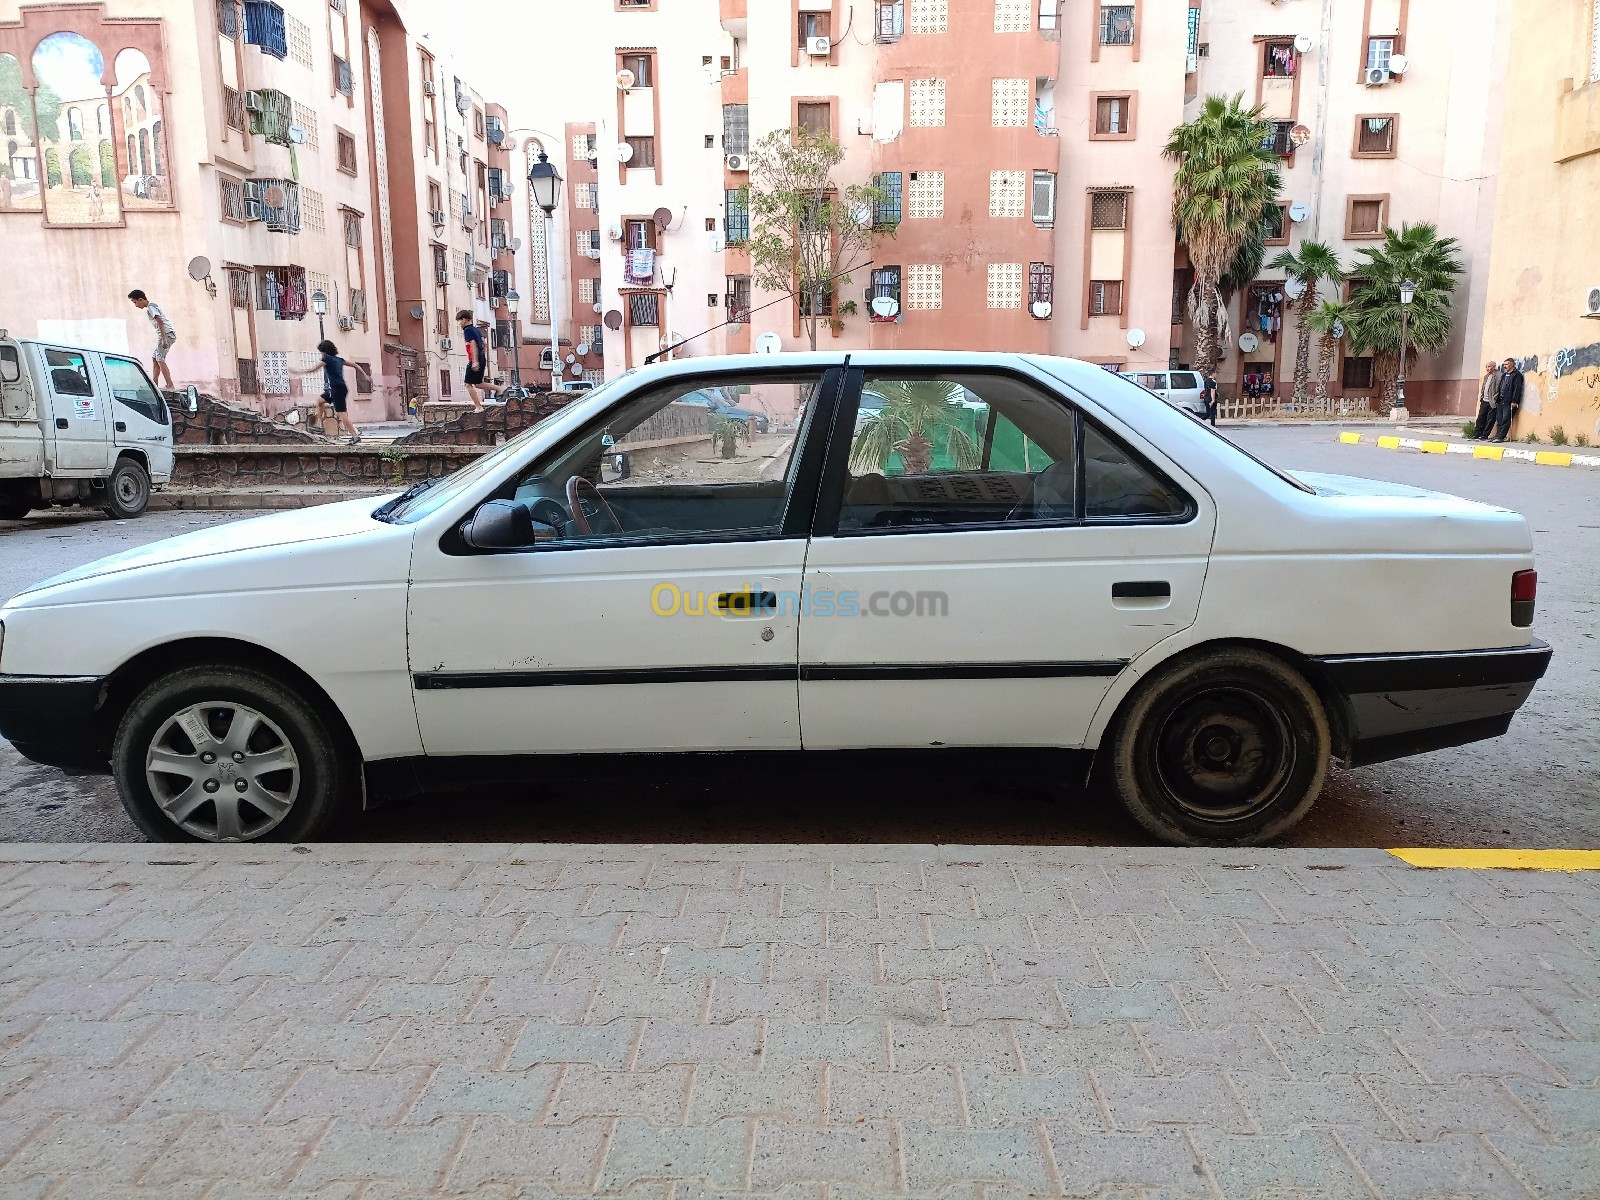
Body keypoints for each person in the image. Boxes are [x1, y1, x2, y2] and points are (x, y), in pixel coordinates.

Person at [290, 340, 368, 443]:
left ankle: (355, 436)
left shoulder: (326, 358)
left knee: (342, 414)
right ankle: (318, 424)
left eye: (321, 351)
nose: (321, 354)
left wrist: (299, 372)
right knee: (320, 401)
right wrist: (364, 374)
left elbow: (314, 369)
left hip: (337, 389)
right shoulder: (339, 359)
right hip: (338, 388)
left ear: (325, 351)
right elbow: (354, 365)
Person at [128, 289, 175, 390]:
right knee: (155, 358)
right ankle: (154, 385)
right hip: (165, 335)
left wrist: (164, 339)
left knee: (159, 358)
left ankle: (170, 385)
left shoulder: (150, 307)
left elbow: (160, 321)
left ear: (140, 299)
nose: (136, 305)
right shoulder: (152, 306)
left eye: (135, 302)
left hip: (166, 335)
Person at [456, 310, 498, 410]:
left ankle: (478, 407)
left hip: (474, 359)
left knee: (468, 384)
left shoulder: (468, 330)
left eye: (459, 321)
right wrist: (482, 355)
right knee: (478, 384)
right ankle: (500, 388)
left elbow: (473, 344)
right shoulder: (476, 329)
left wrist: (475, 361)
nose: (458, 323)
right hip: (481, 358)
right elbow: (484, 343)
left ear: (464, 320)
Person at [1492, 357, 1524, 443]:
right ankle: (1497, 435)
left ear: (1512, 365)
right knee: (1499, 419)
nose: (1505, 366)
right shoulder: (1504, 375)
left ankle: (1500, 437)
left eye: (1506, 364)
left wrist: (1515, 401)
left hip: (1509, 401)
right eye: (1504, 364)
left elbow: (1517, 389)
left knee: (1506, 419)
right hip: (1501, 400)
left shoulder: (1517, 375)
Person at [1473, 361, 1501, 440]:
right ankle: (1477, 434)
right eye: (1486, 367)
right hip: (1484, 400)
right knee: (1481, 418)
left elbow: (1499, 388)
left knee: (1490, 419)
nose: (1487, 369)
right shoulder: (1486, 376)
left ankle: (1484, 435)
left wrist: (1495, 399)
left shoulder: (1498, 375)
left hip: (1492, 401)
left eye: (1489, 367)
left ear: (1493, 367)